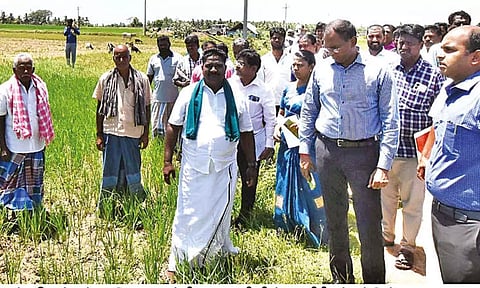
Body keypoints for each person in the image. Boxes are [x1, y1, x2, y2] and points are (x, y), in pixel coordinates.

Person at [298, 19, 399, 284]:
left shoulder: (378, 71)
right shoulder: (321, 70)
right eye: (327, 47)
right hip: (328, 151)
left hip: (364, 154)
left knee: (368, 225)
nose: (330, 52)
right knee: (335, 221)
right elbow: (309, 111)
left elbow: (390, 120)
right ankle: (342, 278)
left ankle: (374, 280)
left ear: (354, 42)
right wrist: (305, 151)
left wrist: (383, 165)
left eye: (336, 47)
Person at [162, 48, 256, 283]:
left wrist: (251, 164)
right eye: (209, 65)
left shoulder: (236, 95)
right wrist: (167, 161)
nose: (213, 69)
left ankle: (210, 258)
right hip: (194, 166)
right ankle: (179, 259)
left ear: (226, 68)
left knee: (219, 215)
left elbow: (246, 132)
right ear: (201, 67)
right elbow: (173, 126)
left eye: (218, 65)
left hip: (224, 168)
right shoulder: (189, 93)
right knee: (188, 214)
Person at [382, 24, 445, 270]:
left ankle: (408, 247)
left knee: (412, 204)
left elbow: (439, 116)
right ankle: (387, 239)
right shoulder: (388, 71)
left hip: (415, 154)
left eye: (409, 42)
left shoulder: (434, 75)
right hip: (387, 151)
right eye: (400, 42)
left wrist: (428, 155)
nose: (403, 46)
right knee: (385, 200)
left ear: (421, 45)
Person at [422, 25, 480, 283]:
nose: (439, 55)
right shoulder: (451, 89)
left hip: (469, 224)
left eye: (449, 50)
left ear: (475, 57)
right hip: (445, 215)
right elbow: (438, 131)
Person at [273, 50, 328, 247]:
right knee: (284, 182)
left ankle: (316, 228)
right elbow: (281, 112)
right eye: (294, 65)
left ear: (311, 66)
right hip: (288, 146)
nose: (296, 69)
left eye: (300, 65)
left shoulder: (317, 90)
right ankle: (285, 223)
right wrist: (278, 127)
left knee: (310, 185)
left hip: (308, 147)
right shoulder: (288, 88)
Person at [93, 44, 151, 216]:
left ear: (130, 58)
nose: (121, 60)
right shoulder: (105, 79)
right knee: (110, 170)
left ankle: (134, 206)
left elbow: (147, 107)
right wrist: (99, 134)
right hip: (111, 131)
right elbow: (99, 109)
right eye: (117, 57)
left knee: (132, 168)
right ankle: (107, 207)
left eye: (124, 56)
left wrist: (146, 133)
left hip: (133, 132)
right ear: (113, 58)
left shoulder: (142, 79)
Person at [0, 53, 55, 212]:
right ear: (14, 70)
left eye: (28, 67)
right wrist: (2, 147)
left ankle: (32, 211)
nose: (25, 71)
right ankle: (12, 213)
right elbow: (1, 120)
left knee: (34, 183)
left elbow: (44, 116)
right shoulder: (4, 90)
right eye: (21, 68)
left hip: (37, 145)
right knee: (10, 184)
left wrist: (44, 143)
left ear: (33, 69)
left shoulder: (41, 87)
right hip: (14, 146)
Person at [229, 49, 276, 226]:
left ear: (253, 68)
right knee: (228, 177)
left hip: (254, 142)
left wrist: (269, 144)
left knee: (249, 179)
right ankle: (224, 213)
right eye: (237, 62)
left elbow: (271, 119)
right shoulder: (230, 84)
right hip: (231, 140)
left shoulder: (264, 90)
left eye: (241, 64)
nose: (237, 66)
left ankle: (244, 216)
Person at [147, 35, 182, 137]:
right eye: (160, 45)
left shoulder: (178, 58)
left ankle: (173, 144)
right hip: (157, 98)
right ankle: (157, 144)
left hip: (173, 98)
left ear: (169, 44)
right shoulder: (153, 59)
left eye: (164, 45)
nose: (162, 47)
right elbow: (149, 77)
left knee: (172, 124)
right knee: (157, 124)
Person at [259, 27, 293, 113]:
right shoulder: (263, 60)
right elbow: (260, 82)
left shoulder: (291, 59)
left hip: (287, 103)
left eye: (280, 38)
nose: (277, 40)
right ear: (270, 39)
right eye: (274, 38)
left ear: (284, 40)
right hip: (268, 103)